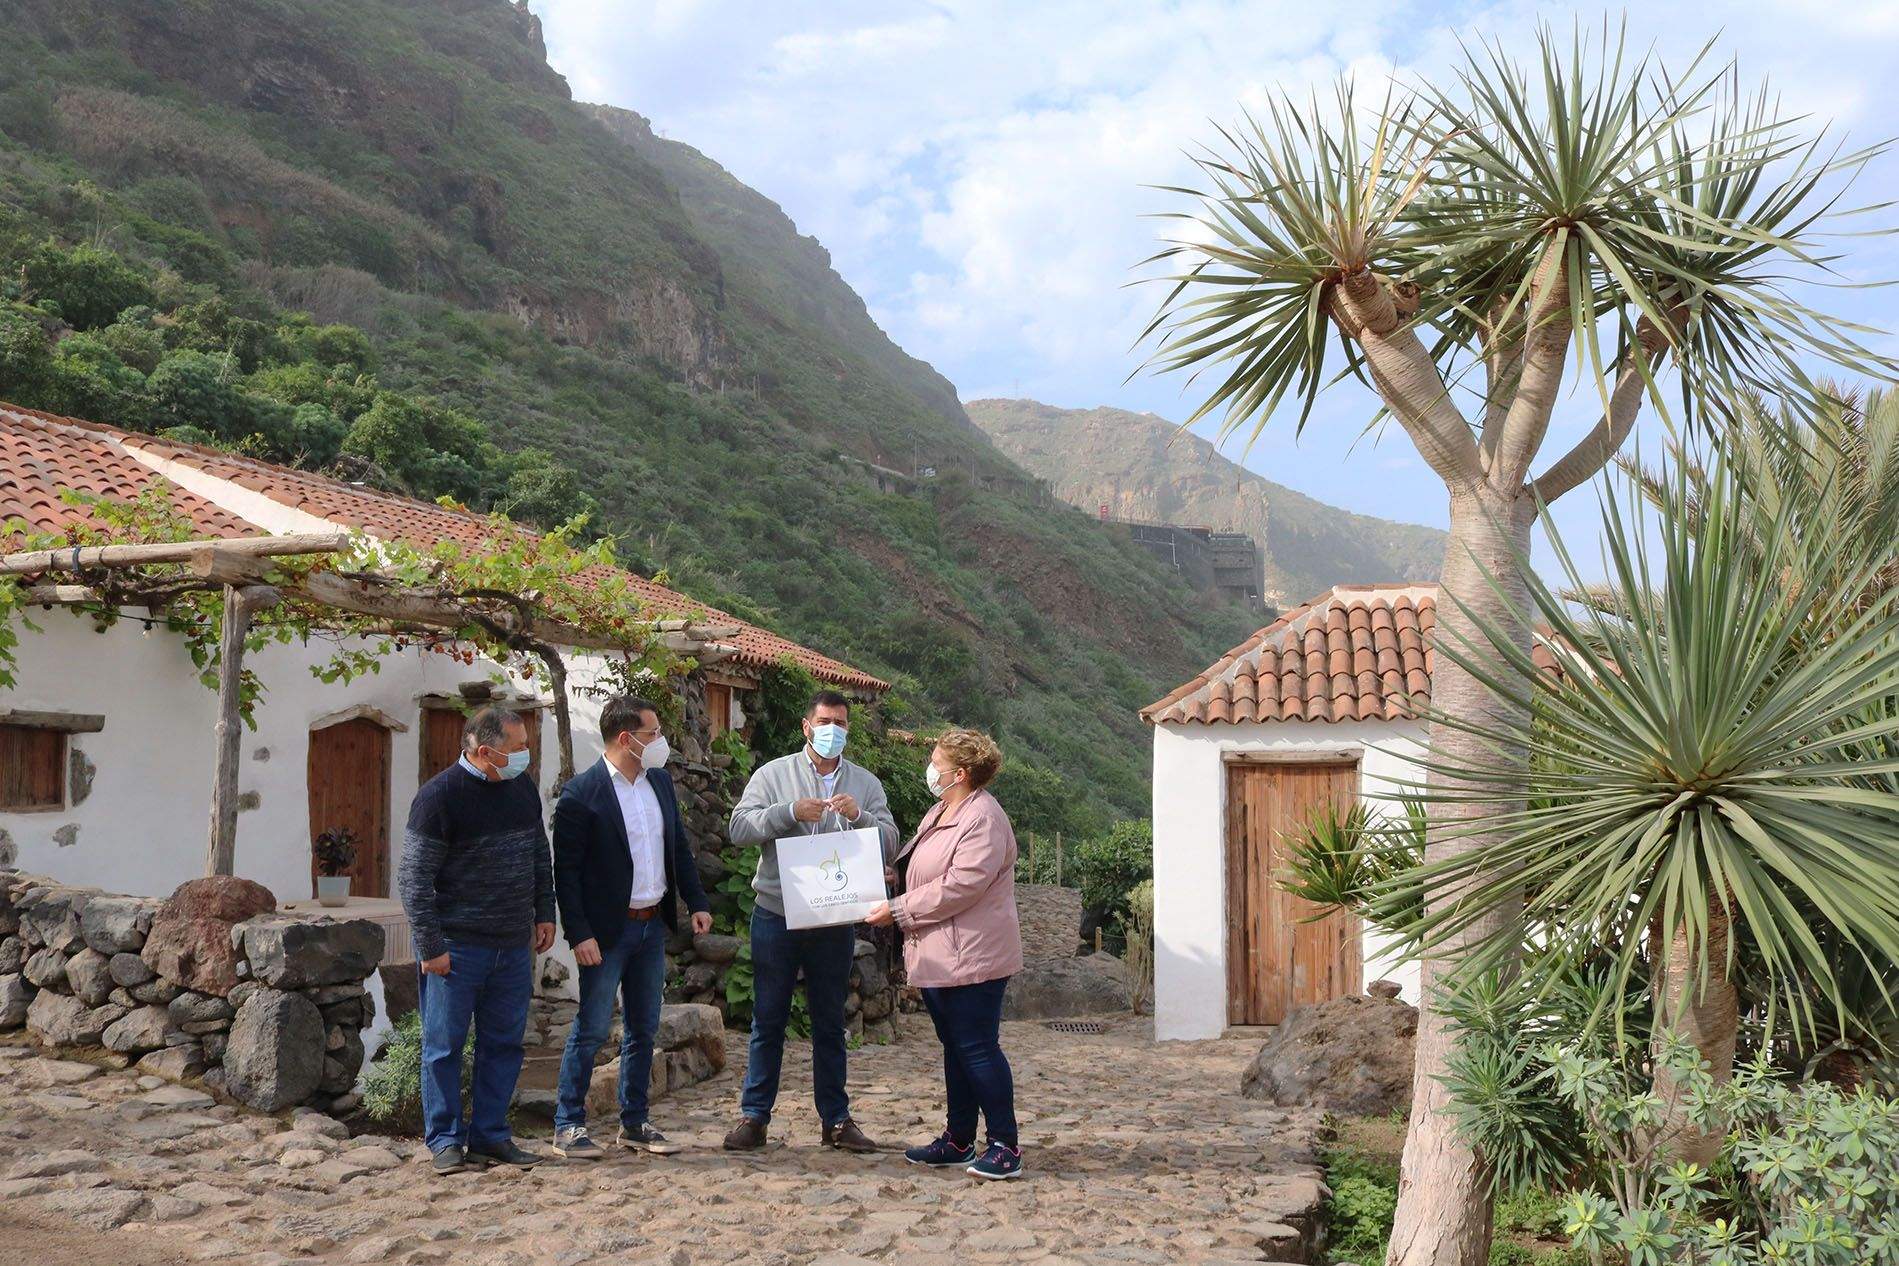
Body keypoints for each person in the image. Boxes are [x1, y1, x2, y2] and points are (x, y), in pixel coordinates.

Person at [723, 689, 900, 1152]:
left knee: (828, 1022)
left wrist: (860, 816)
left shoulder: (865, 783)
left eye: (841, 724)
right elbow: (739, 828)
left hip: (834, 919)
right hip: (777, 914)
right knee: (768, 1018)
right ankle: (754, 1117)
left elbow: (890, 839)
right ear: (807, 726)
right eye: (825, 722)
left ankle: (836, 1121)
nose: (833, 731)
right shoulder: (773, 774)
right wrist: (788, 813)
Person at [550, 695, 713, 1158]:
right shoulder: (582, 794)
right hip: (606, 931)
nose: (660, 742)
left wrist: (695, 902)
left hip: (650, 926)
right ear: (626, 739)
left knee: (645, 1028)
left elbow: (678, 848)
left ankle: (635, 1121)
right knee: (593, 1027)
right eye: (652, 734)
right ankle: (568, 1124)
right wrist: (578, 934)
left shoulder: (658, 783)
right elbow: (568, 872)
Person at [397, 706, 556, 1175]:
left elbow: (538, 854)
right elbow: (413, 879)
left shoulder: (521, 788)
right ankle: (445, 1141)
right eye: (519, 747)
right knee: (444, 1047)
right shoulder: (438, 797)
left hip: (512, 945)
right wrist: (431, 947)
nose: (527, 754)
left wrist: (545, 911)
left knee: (504, 1044)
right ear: (485, 751)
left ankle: (490, 1136)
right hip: (457, 948)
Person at [865, 728, 1025, 1180]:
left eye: (936, 761)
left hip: (974, 956)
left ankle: (1005, 1145)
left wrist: (897, 909)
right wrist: (895, 881)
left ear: (959, 773)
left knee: (977, 1047)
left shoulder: (984, 819)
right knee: (955, 1049)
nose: (929, 768)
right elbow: (929, 871)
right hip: (943, 954)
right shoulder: (942, 810)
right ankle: (958, 1139)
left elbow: (961, 886)